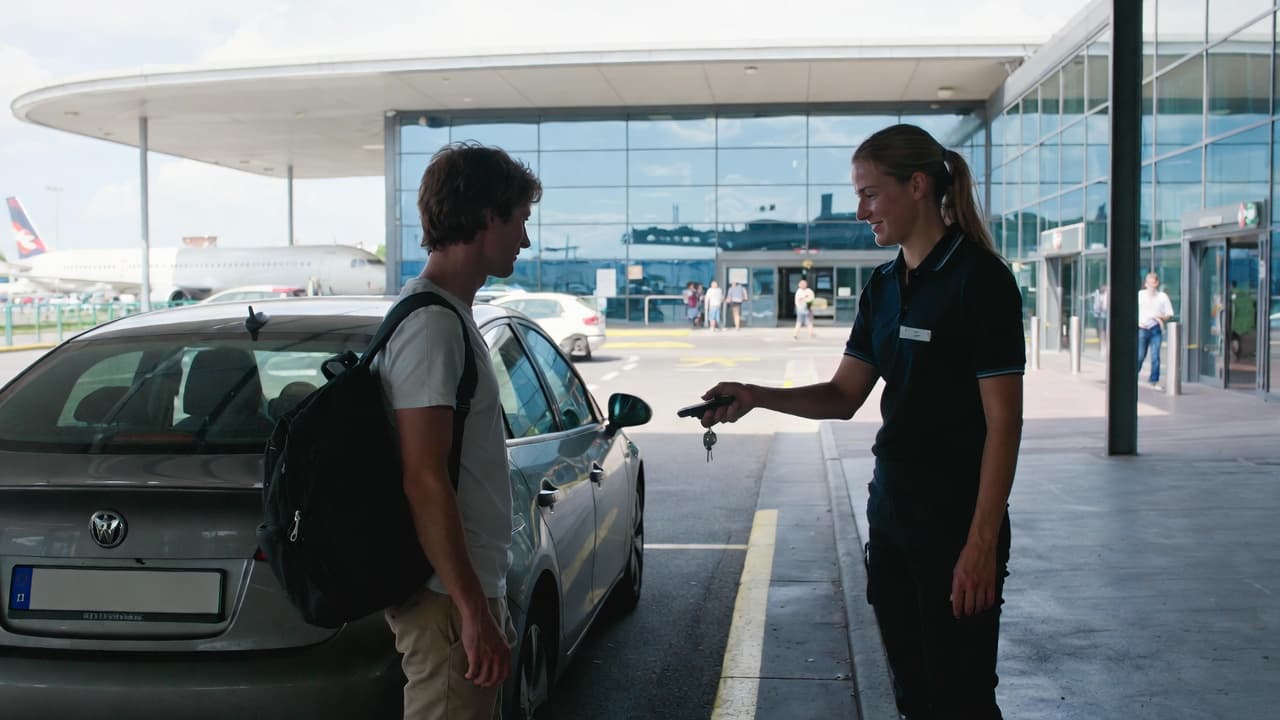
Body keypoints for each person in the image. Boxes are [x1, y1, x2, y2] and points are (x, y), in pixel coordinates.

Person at [698, 124, 1024, 719]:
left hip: (956, 528)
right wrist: (754, 395)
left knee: (963, 700)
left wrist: (980, 544)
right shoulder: (882, 285)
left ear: (918, 186)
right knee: (914, 696)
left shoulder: (981, 281)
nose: (860, 210)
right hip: (894, 519)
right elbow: (844, 395)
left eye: (871, 193)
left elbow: (1004, 423)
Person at [378, 142, 540, 719]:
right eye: (520, 220)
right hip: (447, 597)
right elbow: (423, 477)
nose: (524, 239)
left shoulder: (448, 316)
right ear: (486, 216)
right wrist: (472, 609)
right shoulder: (431, 327)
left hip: (458, 591)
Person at [1137, 272, 1173, 387]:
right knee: (1140, 355)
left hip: (1155, 328)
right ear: (1146, 284)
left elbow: (1169, 314)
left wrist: (1159, 316)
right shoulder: (1140, 295)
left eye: (1154, 283)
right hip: (1142, 328)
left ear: (1157, 283)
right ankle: (1133, 375)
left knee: (1155, 355)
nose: (1152, 286)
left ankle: (1154, 380)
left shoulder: (1162, 297)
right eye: (1150, 283)